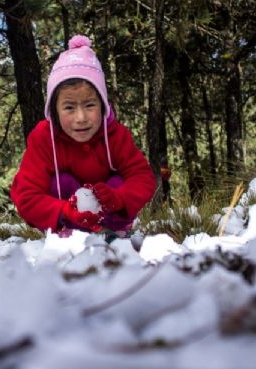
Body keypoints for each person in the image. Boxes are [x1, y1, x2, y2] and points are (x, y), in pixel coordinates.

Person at [11, 34, 156, 236]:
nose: (81, 118)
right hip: (64, 219)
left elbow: (143, 177)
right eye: (69, 107)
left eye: (89, 105)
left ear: (103, 105)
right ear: (54, 110)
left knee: (117, 182)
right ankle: (68, 233)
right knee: (61, 182)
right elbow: (26, 194)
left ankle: (113, 231)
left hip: (109, 214)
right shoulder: (44, 138)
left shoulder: (115, 135)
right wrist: (63, 210)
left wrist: (119, 198)